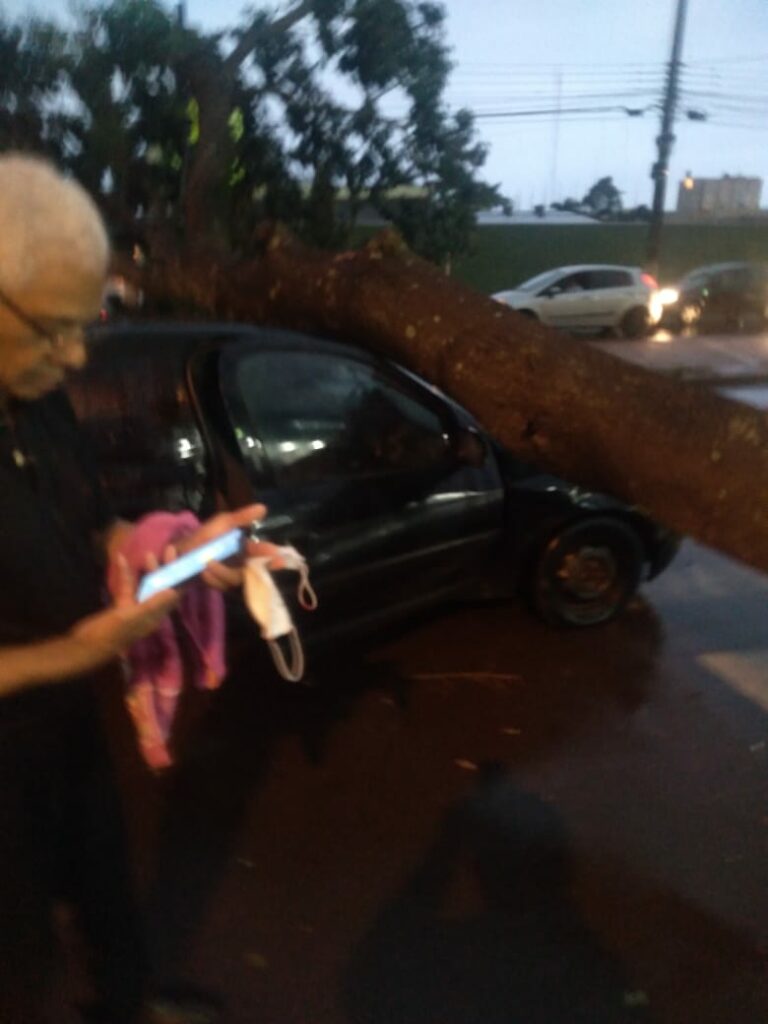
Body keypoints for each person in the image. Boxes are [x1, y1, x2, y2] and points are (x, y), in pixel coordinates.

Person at [0, 153, 268, 1024]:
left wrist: (178, 547)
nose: (77, 355)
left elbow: (88, 522)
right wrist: (80, 649)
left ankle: (127, 1004)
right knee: (15, 951)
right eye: (53, 329)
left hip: (67, 726)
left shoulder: (33, 396)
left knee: (107, 888)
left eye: (88, 323)